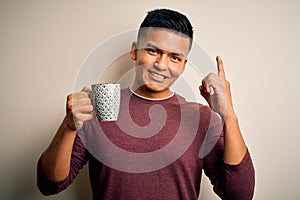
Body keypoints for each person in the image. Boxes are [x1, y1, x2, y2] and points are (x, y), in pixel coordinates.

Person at [37, 8, 255, 200]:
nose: (161, 65)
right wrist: (68, 127)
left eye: (175, 58)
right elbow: (49, 185)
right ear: (135, 51)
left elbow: (239, 195)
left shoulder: (202, 118)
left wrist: (228, 116)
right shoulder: (98, 107)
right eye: (153, 51)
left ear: (184, 65)